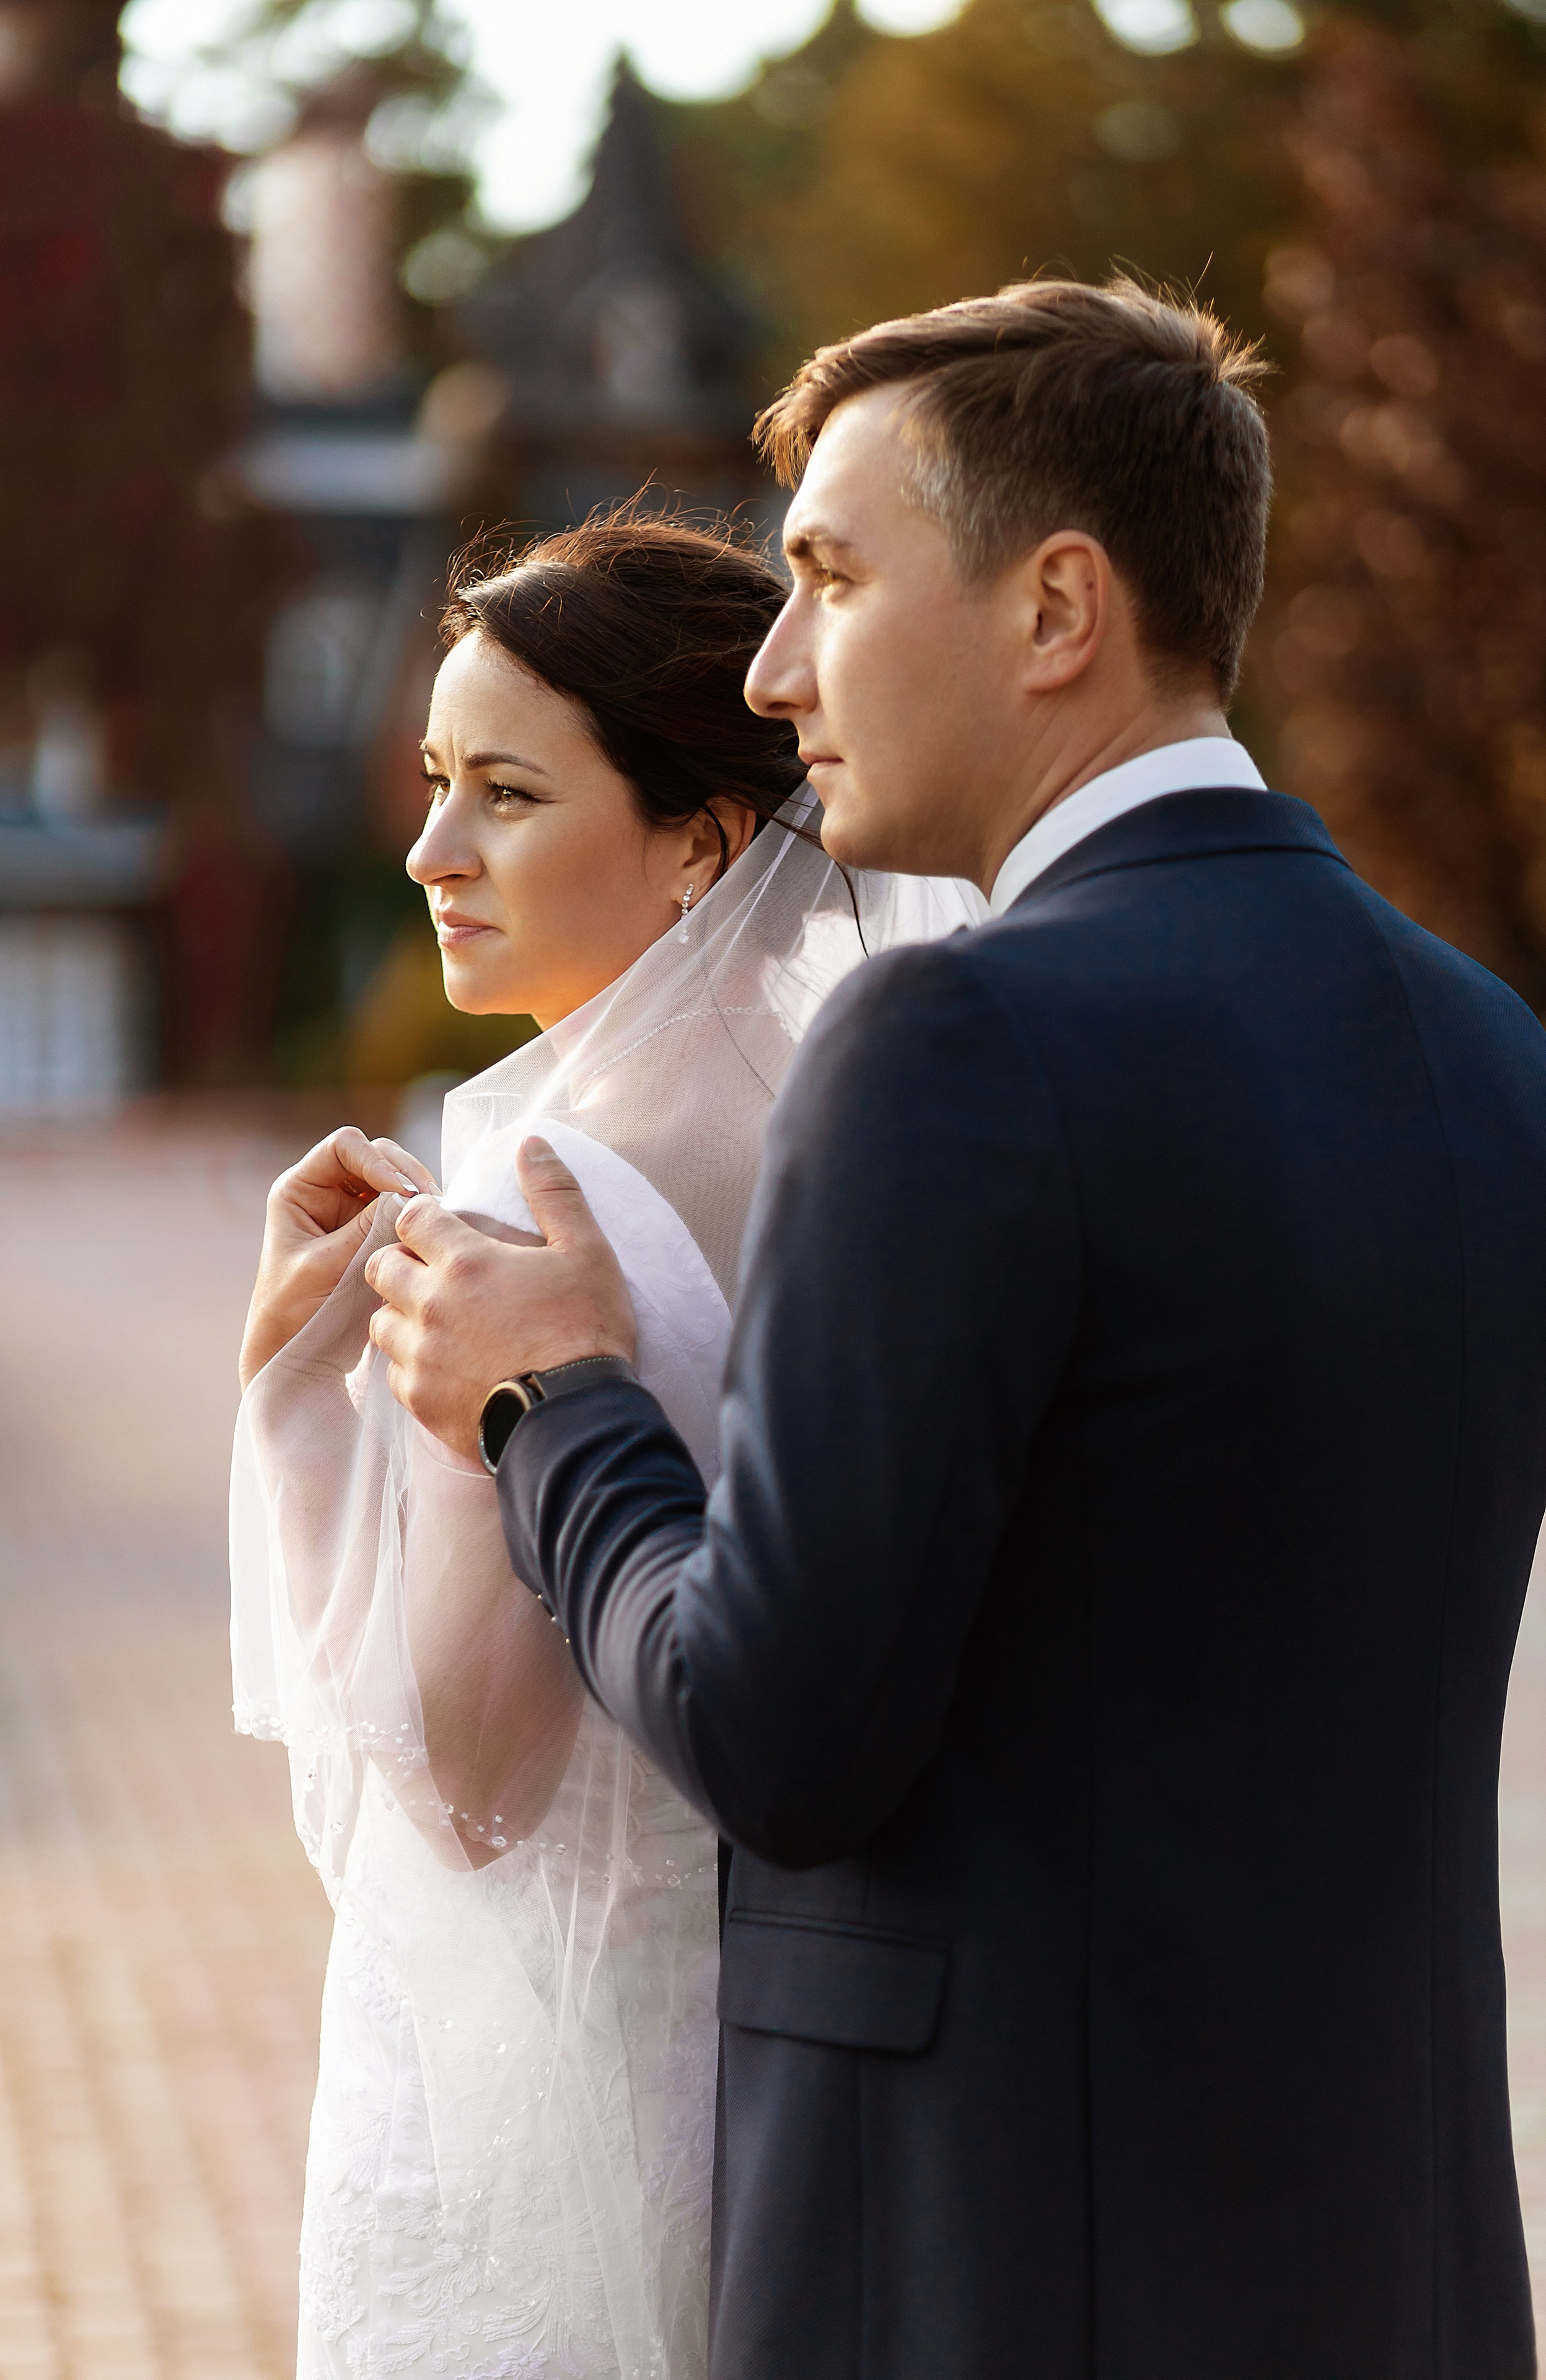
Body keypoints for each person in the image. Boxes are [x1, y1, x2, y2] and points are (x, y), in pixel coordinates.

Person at [366, 279, 1546, 2380]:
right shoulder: (1488, 1050)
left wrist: (551, 1403)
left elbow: (780, 1733)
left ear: (1055, 608)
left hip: (996, 2270)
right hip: (1400, 2280)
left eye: (826, 573)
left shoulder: (962, 1035)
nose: (769, 662)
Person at [229, 513, 981, 2380]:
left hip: (542, 2068)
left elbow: (472, 1779)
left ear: (703, 840)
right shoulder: (883, 1135)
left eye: (505, 793)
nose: (430, 851)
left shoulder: (531, 1199)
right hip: (809, 2056)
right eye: (431, 783)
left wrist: (291, 1407)